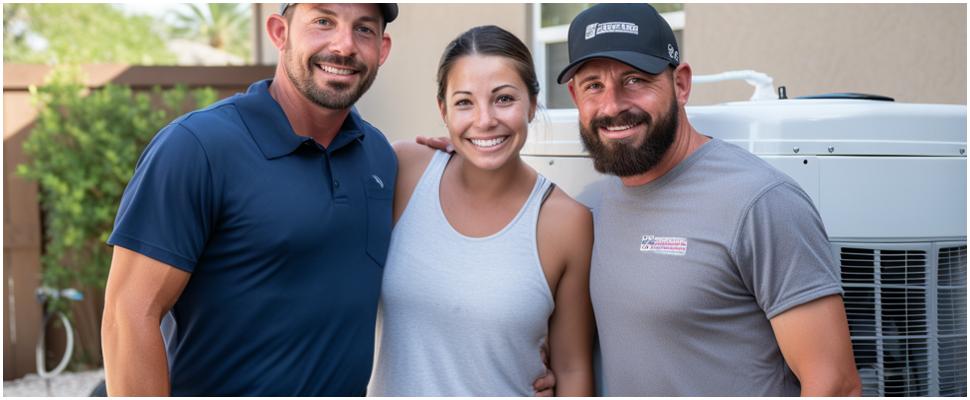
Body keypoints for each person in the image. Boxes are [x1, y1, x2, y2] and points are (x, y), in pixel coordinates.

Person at [557, 3, 862, 396]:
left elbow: (835, 385)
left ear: (681, 84)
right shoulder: (591, 206)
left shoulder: (759, 202)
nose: (613, 106)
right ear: (574, 96)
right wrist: (456, 158)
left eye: (634, 80)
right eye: (593, 86)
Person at [367, 25, 595, 396]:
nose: (484, 119)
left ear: (532, 105)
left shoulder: (566, 221)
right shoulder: (404, 169)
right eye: (464, 102)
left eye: (504, 99)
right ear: (442, 110)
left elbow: (571, 367)